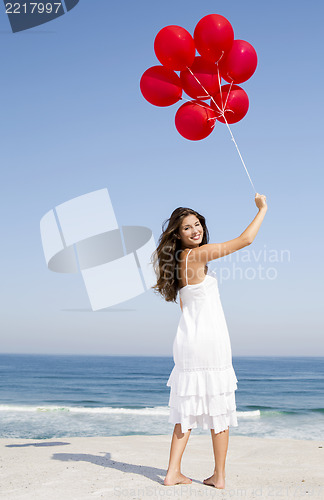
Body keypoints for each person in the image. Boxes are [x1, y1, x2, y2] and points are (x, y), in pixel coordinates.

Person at [152, 193, 268, 489]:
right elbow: (245, 241)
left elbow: (185, 307)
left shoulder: (179, 262)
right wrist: (262, 209)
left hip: (188, 341)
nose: (195, 230)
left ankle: (173, 472)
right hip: (210, 341)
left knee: (186, 409)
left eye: (197, 224)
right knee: (219, 409)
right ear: (177, 235)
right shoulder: (197, 255)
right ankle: (219, 476)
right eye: (187, 228)